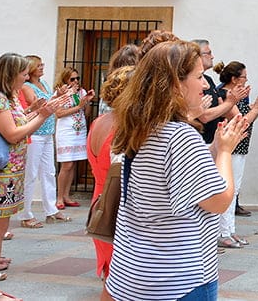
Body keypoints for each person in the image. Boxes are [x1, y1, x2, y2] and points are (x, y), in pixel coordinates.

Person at [105, 39, 249, 301]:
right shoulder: (180, 136)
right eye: (198, 77)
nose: (205, 84)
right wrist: (226, 151)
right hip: (177, 279)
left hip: (131, 272)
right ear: (174, 84)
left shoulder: (142, 128)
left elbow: (172, 177)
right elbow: (219, 200)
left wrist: (215, 148)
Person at [0, 53, 65, 301]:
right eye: (23, 73)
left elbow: (15, 123)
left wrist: (37, 111)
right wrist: (43, 116)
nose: (27, 77)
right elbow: (13, 134)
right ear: (11, 73)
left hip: (7, 174)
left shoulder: (7, 98)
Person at [86, 64, 134, 298]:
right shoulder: (124, 126)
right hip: (117, 204)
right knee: (120, 278)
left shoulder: (99, 121)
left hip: (100, 201)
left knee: (111, 272)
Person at [214, 61, 258, 247]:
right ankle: (222, 232)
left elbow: (246, 114)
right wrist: (256, 107)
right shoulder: (224, 94)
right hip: (230, 148)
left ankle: (230, 230)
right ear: (234, 79)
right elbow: (241, 120)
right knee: (228, 189)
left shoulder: (238, 96)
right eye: (243, 77)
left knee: (235, 190)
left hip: (240, 146)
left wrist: (257, 106)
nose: (246, 81)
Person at [17, 55, 67, 229]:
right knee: (31, 174)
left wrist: (58, 95)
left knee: (49, 171)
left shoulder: (44, 84)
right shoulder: (27, 86)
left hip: (47, 133)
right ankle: (26, 213)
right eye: (38, 65)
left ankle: (51, 209)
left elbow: (48, 102)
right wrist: (56, 98)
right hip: (35, 133)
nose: (42, 67)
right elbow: (38, 104)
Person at [190, 40, 248, 147]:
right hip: (198, 141)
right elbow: (204, 115)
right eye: (208, 53)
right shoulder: (190, 81)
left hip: (211, 141)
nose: (212, 57)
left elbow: (226, 113)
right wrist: (230, 102)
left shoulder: (209, 80)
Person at [53, 66, 93, 210]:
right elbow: (59, 113)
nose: (76, 81)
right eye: (72, 79)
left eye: (77, 78)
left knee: (73, 164)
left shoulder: (80, 92)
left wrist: (87, 101)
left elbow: (86, 113)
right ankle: (59, 197)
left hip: (79, 130)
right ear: (65, 79)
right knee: (66, 164)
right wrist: (78, 107)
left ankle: (66, 195)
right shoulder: (61, 94)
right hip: (66, 131)